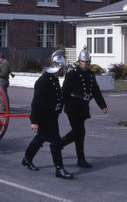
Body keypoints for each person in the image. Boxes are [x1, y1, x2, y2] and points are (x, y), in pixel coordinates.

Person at [22, 50, 74, 179]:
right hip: (44, 117)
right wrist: (34, 121)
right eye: (62, 68)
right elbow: (36, 103)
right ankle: (59, 169)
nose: (63, 71)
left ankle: (27, 158)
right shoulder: (43, 81)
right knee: (55, 142)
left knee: (41, 138)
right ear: (57, 68)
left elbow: (57, 96)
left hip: (52, 116)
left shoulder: (53, 78)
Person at [61, 47, 108, 168]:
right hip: (72, 106)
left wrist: (102, 105)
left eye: (87, 62)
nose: (85, 64)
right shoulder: (72, 74)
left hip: (83, 107)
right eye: (83, 62)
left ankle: (60, 144)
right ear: (79, 61)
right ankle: (80, 158)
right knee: (79, 132)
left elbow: (96, 90)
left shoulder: (91, 74)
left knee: (79, 132)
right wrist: (60, 107)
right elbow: (64, 92)